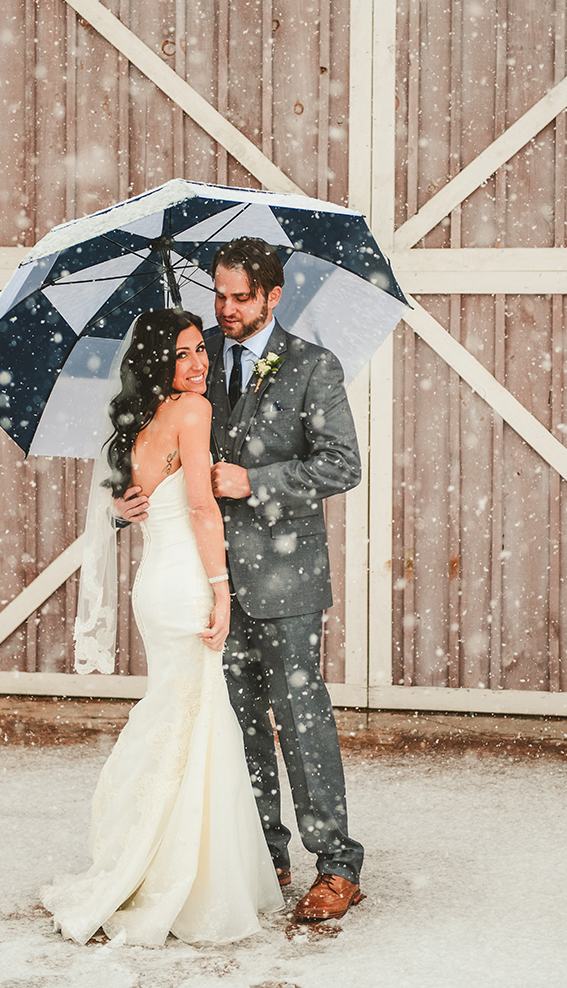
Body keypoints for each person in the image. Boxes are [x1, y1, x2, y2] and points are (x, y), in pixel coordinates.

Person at [116, 238, 365, 922]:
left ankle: (337, 864)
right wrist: (127, 501)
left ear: (273, 296)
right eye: (217, 295)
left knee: (301, 719)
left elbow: (343, 466)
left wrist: (257, 480)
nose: (223, 310)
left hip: (286, 579)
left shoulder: (311, 367)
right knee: (233, 726)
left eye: (239, 297)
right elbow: (159, 455)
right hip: (208, 585)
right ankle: (262, 850)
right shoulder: (194, 367)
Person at [41, 308, 283, 946]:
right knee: (196, 723)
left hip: (155, 584)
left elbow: (127, 503)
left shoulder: (140, 421)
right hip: (184, 586)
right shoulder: (192, 413)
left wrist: (121, 511)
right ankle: (182, 878)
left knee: (179, 719)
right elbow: (202, 507)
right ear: (159, 362)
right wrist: (222, 591)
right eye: (183, 355)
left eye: (201, 349)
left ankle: (150, 861)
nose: (200, 363)